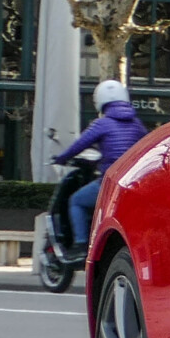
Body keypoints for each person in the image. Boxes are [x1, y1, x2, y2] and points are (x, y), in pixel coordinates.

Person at [55, 78, 146, 249]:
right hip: (133, 185)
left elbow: (79, 144)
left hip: (110, 183)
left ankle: (80, 244)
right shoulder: (137, 125)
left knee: (76, 201)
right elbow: (148, 145)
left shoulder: (102, 124)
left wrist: (62, 158)